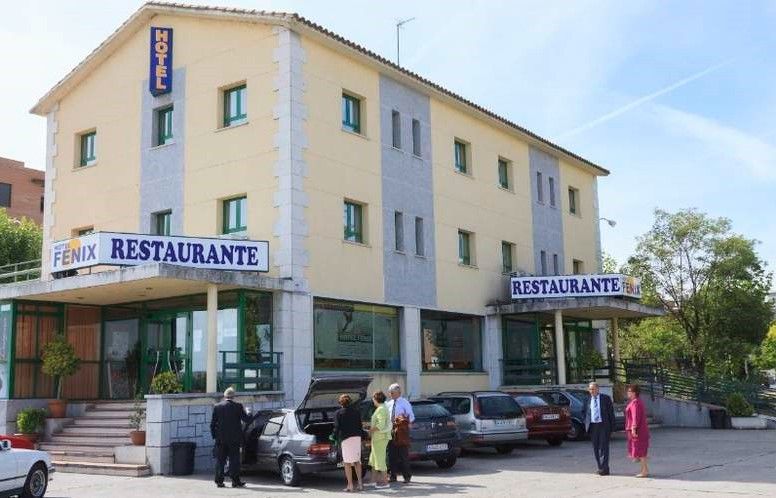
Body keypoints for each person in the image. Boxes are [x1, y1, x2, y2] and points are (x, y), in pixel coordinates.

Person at [210, 387, 252, 488]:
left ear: (224, 396)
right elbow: (247, 420)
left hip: (221, 439)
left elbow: (212, 424)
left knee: (220, 460)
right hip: (234, 439)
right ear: (233, 397)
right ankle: (235, 481)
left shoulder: (217, 406)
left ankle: (219, 481)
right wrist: (249, 412)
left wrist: (215, 436)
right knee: (234, 460)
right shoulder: (238, 406)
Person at [583, 382, 616, 476]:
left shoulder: (605, 398)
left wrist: (612, 427)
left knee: (604, 447)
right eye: (590, 389)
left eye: (593, 389)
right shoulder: (587, 399)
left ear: (598, 389)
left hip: (603, 425)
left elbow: (611, 413)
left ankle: (604, 468)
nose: (591, 391)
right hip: (593, 426)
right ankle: (600, 467)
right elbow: (584, 412)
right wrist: (586, 423)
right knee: (596, 447)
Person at [385, 383, 415, 484]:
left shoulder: (404, 402)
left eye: (392, 392)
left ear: (399, 392)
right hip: (391, 431)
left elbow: (411, 416)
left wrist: (407, 424)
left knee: (403, 455)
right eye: (390, 392)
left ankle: (407, 476)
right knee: (391, 455)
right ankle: (392, 476)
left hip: (401, 431)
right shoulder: (388, 403)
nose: (390, 394)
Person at [334, 394, 364, 492]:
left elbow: (337, 427)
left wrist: (333, 437)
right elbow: (360, 425)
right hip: (356, 437)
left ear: (340, 403)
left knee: (347, 463)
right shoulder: (356, 412)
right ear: (350, 401)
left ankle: (350, 485)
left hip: (346, 439)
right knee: (356, 461)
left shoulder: (338, 413)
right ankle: (360, 484)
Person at [625, 384, 650, 478]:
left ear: (634, 393)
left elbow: (635, 417)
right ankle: (644, 469)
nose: (627, 393)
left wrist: (634, 428)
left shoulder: (635, 403)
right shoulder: (636, 401)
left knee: (641, 452)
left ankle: (644, 471)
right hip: (639, 430)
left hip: (638, 431)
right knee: (640, 451)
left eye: (629, 391)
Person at [368, 391, 391, 489]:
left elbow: (380, 425)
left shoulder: (381, 409)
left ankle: (385, 483)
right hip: (378, 438)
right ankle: (373, 481)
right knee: (373, 460)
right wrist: (369, 425)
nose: (372, 399)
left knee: (380, 460)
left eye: (373, 398)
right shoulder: (382, 408)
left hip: (380, 438)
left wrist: (370, 430)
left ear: (376, 399)